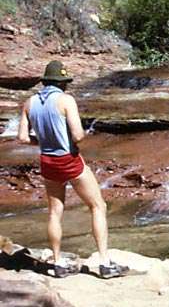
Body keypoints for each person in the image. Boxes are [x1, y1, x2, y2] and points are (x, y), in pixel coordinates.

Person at [17, 61, 127, 278]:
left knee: (55, 212)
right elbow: (77, 135)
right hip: (68, 158)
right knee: (97, 206)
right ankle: (104, 263)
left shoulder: (30, 103)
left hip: (47, 160)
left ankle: (57, 263)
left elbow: (21, 137)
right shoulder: (66, 100)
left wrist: (41, 142)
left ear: (45, 81)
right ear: (62, 83)